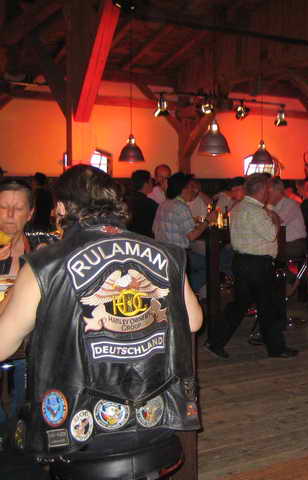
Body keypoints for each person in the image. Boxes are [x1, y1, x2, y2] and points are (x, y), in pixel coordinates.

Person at [0, 165, 202, 479]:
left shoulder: (46, 262)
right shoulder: (165, 252)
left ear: (63, 208)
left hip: (77, 431)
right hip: (155, 420)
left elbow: (2, 346)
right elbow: (194, 321)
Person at [206, 173, 298, 359]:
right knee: (268, 305)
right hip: (258, 264)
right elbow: (271, 234)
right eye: (267, 190)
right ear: (261, 191)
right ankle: (276, 348)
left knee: (239, 305)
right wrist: (275, 218)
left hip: (241, 262)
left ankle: (215, 341)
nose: (269, 193)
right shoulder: (256, 211)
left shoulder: (238, 207)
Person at [0, 179, 34, 428]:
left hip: (26, 353)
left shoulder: (41, 251)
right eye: (2, 207)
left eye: (18, 208)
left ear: (30, 213)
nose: (9, 215)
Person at [153, 173, 215, 296]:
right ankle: (185, 292)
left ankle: (185, 291)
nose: (193, 191)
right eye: (191, 187)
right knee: (212, 264)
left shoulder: (163, 204)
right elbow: (192, 236)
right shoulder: (181, 207)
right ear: (183, 189)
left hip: (163, 253)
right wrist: (208, 220)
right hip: (178, 255)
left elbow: (155, 229)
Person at [269, 177, 307, 260]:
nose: (266, 194)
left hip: (294, 244)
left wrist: (267, 207)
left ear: (278, 191)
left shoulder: (290, 204)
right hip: (282, 243)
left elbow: (277, 222)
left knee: (266, 254)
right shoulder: (272, 206)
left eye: (269, 191)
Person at [125, 169, 158, 238]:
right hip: (145, 239)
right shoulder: (150, 204)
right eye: (151, 181)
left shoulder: (126, 200)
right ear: (146, 184)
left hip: (128, 237)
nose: (153, 183)